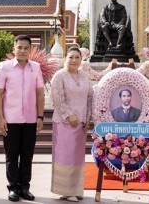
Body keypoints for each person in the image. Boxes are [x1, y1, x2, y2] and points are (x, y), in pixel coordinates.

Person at [0, 35, 45, 202]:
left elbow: (39, 93)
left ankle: (24, 187)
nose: (22, 51)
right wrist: (0, 118)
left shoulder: (36, 67)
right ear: (14, 49)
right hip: (11, 119)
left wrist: (40, 116)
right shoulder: (4, 67)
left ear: (30, 50)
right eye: (19, 47)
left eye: (26, 48)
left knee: (27, 154)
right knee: (11, 155)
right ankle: (13, 188)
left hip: (30, 119)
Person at [50, 47, 93, 202]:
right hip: (64, 122)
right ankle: (66, 190)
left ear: (81, 59)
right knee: (66, 156)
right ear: (65, 58)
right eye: (71, 57)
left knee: (77, 157)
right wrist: (69, 115)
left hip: (81, 123)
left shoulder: (84, 75)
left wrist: (88, 116)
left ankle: (76, 189)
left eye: (77, 57)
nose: (74, 60)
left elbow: (90, 97)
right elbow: (57, 98)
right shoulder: (60, 76)